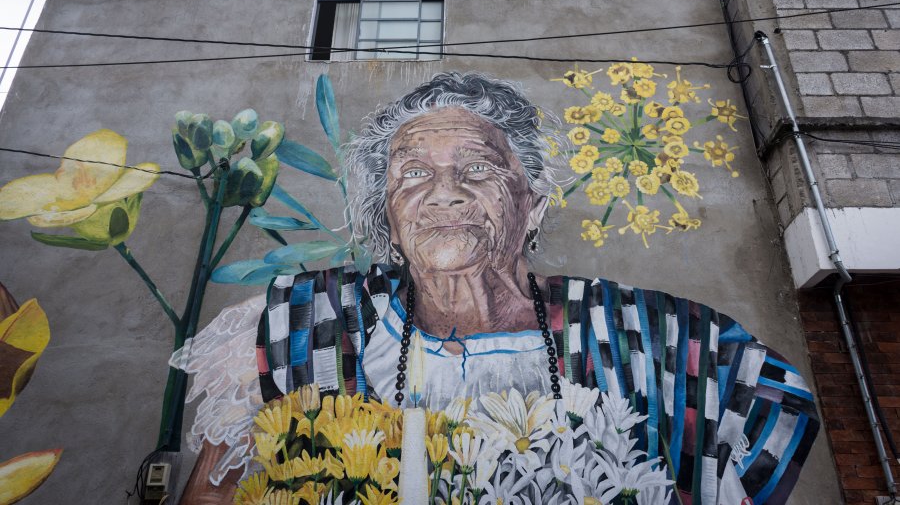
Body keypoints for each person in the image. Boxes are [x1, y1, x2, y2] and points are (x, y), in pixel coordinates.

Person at [182, 73, 819, 504]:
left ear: (533, 202)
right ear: (389, 219)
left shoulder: (661, 336)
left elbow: (772, 421)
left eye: (479, 168)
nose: (443, 192)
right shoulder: (292, 327)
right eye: (412, 174)